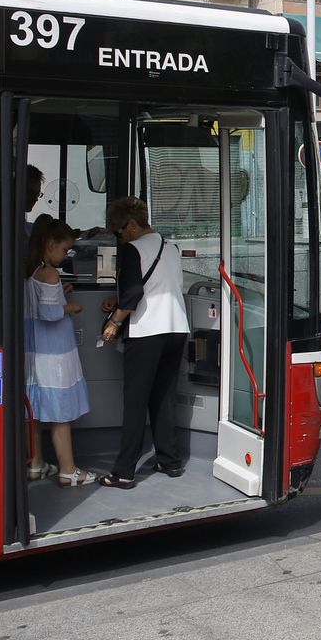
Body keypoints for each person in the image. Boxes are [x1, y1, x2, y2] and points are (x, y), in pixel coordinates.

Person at [98, 197, 190, 489]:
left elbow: (135, 292)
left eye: (119, 230)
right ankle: (169, 459)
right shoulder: (171, 247)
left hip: (148, 331)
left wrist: (114, 321)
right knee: (163, 396)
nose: (119, 236)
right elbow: (158, 286)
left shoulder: (132, 249)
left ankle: (124, 471)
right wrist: (121, 301)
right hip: (176, 329)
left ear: (133, 225)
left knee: (135, 402)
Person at [24, 216, 96, 487]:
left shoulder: (28, 270)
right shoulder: (50, 273)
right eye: (65, 249)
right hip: (53, 352)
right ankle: (68, 470)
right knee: (59, 413)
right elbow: (49, 312)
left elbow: (37, 303)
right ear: (51, 243)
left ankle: (36, 464)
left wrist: (58, 293)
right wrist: (70, 307)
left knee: (32, 412)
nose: (66, 255)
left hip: (31, 352)